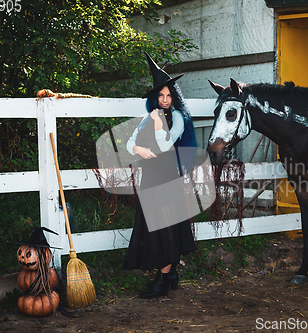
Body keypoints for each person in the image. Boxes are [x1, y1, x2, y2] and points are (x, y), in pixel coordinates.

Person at [122, 53, 197, 299]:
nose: (164, 100)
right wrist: (138, 149)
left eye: (168, 95)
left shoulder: (177, 118)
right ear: (155, 96)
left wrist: (157, 124)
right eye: (161, 95)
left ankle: (162, 280)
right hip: (149, 178)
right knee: (155, 228)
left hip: (166, 178)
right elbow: (129, 142)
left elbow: (165, 145)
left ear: (173, 97)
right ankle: (171, 273)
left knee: (166, 229)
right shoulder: (147, 116)